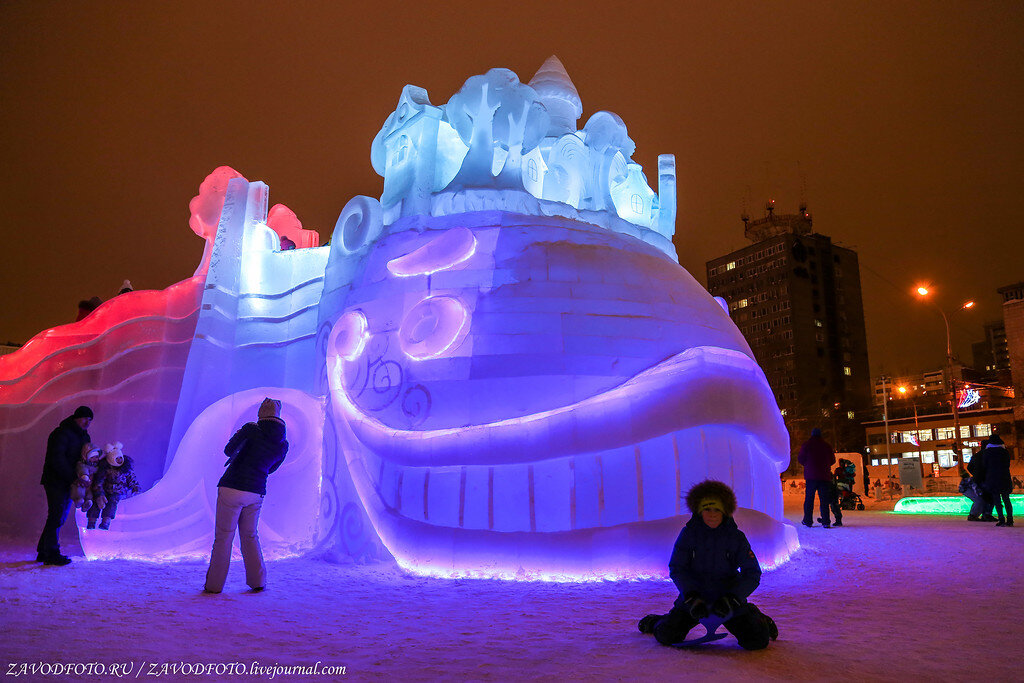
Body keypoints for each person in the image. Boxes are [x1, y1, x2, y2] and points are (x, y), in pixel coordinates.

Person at [637, 480, 778, 650]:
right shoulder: (689, 535)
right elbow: (678, 568)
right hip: (696, 599)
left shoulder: (736, 537)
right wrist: (691, 596)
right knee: (668, 635)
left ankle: (758, 619)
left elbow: (752, 573)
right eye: (707, 509)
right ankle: (657, 622)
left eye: (717, 509)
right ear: (699, 511)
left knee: (756, 641)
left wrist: (733, 599)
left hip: (727, 599)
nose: (712, 514)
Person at [204, 398, 289, 593]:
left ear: (261, 413)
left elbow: (228, 451)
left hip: (231, 487)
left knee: (224, 537)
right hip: (257, 491)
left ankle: (214, 585)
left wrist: (241, 434)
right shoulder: (283, 444)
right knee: (250, 536)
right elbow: (272, 468)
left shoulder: (251, 429)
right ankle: (258, 581)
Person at [37, 406, 94, 565]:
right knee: (57, 515)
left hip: (68, 481)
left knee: (57, 515)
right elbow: (57, 459)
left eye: (90, 420)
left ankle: (44, 550)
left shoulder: (84, 437)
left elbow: (83, 459)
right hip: (56, 480)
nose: (87, 423)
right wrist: (73, 477)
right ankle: (51, 553)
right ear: (76, 417)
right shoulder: (61, 433)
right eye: (85, 418)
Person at [798, 427, 836, 528]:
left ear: (812, 434)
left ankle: (808, 520)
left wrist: (808, 464)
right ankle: (826, 521)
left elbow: (800, 458)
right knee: (824, 500)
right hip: (824, 477)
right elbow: (833, 460)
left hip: (811, 477)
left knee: (809, 499)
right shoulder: (827, 446)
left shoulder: (807, 445)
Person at [980, 435, 1013, 527]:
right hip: (1004, 477)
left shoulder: (987, 452)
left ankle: (1001, 519)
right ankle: (1010, 520)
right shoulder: (1005, 452)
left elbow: (984, 465)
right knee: (1006, 499)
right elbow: (1007, 464)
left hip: (992, 478)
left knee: (997, 500)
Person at [966, 440, 996, 522]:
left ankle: (983, 514)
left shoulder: (976, 456)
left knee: (984, 496)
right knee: (990, 496)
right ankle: (987, 514)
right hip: (986, 479)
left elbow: (969, 467)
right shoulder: (989, 455)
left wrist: (975, 474)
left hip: (978, 479)